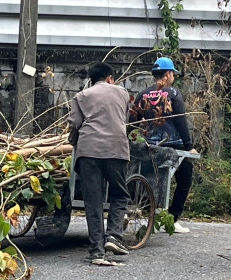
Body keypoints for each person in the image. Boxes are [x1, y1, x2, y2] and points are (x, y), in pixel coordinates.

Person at [67, 62, 131, 264]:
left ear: (91, 80)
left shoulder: (81, 96)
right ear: (111, 78)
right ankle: (113, 236)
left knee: (93, 201)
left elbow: (75, 124)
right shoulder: (122, 93)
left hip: (88, 152)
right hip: (116, 149)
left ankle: (96, 251)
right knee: (120, 194)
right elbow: (123, 119)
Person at [129, 57, 198, 233]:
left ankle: (144, 210)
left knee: (150, 179)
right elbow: (181, 121)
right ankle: (173, 219)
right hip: (173, 145)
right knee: (184, 179)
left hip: (148, 146)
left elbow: (133, 122)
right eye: (173, 74)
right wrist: (188, 145)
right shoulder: (173, 94)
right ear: (167, 74)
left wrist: (133, 140)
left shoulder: (142, 94)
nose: (173, 77)